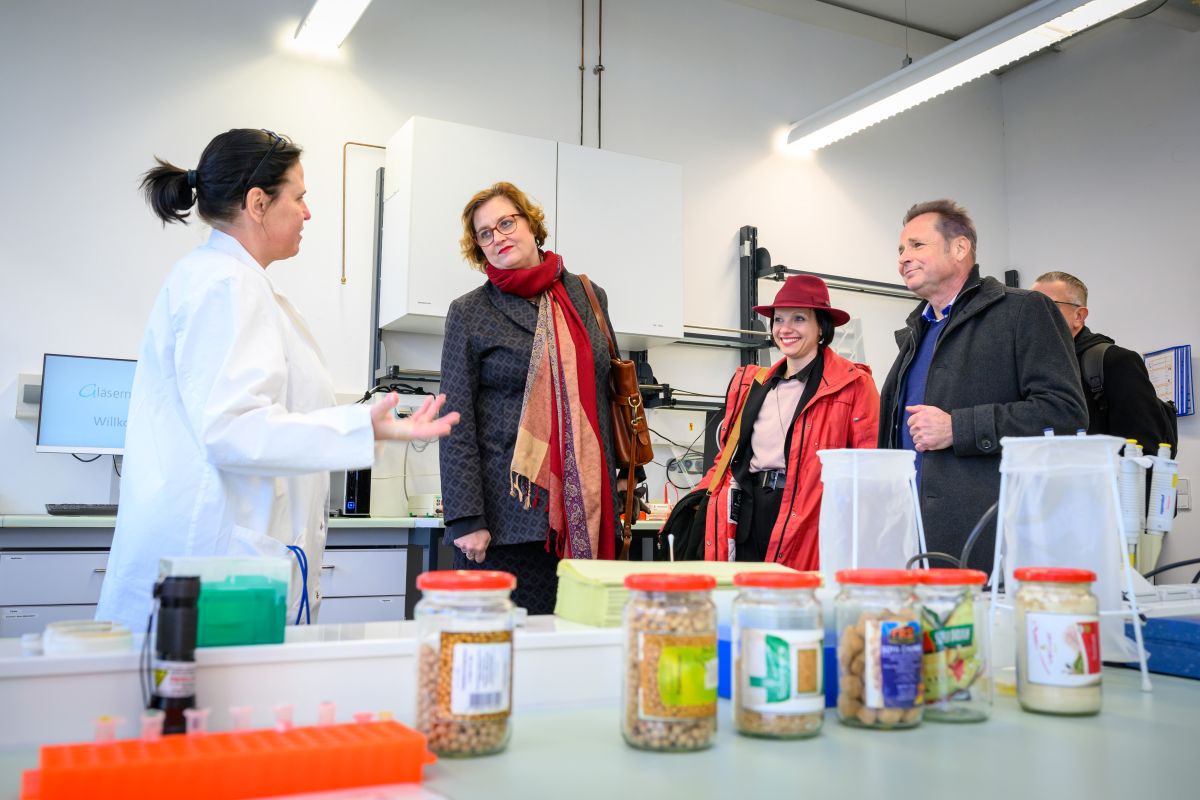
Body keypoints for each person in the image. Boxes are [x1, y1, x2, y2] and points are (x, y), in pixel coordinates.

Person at [95, 129, 459, 632]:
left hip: (228, 560)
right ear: (258, 203)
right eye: (300, 196)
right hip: (219, 569)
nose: (308, 212)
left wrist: (366, 427)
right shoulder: (225, 285)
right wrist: (357, 429)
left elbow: (258, 419)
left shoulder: (232, 282)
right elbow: (234, 429)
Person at [438, 182, 624, 614]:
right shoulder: (469, 311)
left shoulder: (589, 296)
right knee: (509, 656)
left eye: (506, 222)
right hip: (507, 520)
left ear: (531, 224)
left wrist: (622, 480)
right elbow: (454, 419)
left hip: (590, 513)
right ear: (478, 249)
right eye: (485, 233)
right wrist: (466, 518)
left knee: (584, 647)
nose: (498, 236)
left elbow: (608, 394)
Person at [878, 200, 1087, 572]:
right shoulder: (915, 335)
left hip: (990, 539)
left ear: (960, 248)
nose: (903, 258)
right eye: (900, 250)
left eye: (916, 245)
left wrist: (958, 427)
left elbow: (1065, 413)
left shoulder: (1024, 311)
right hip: (911, 537)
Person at [700, 275, 879, 569]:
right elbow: (727, 458)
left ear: (821, 327)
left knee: (795, 601)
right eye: (778, 319)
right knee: (745, 599)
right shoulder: (752, 384)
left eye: (798, 319)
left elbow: (869, 467)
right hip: (749, 510)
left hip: (810, 517)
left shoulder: (853, 385)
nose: (785, 329)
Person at [1031, 271, 1177, 457]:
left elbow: (1144, 451)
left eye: (1047, 307)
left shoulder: (1115, 362)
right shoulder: (1031, 367)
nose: (1034, 317)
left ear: (1079, 316)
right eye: (1029, 309)